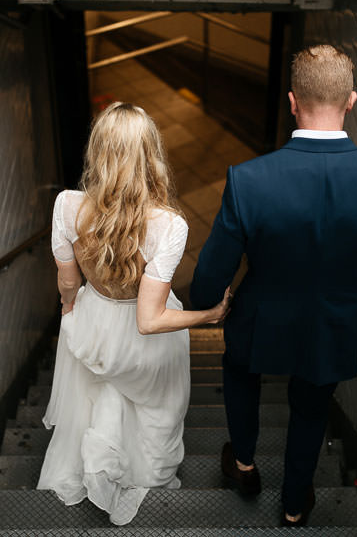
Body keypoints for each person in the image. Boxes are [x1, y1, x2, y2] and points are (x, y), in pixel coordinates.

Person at [190, 45, 357, 526]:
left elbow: (213, 271)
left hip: (258, 318)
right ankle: (294, 506)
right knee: (311, 410)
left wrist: (206, 302)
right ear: (351, 101)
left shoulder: (249, 180)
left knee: (240, 372)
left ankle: (245, 465)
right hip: (332, 325)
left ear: (292, 101)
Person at [39, 102, 231, 525]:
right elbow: (150, 320)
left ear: (98, 151)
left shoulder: (67, 206)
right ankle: (145, 471)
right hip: (144, 345)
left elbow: (69, 283)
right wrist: (209, 316)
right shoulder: (168, 225)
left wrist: (71, 313)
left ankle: (101, 462)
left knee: (104, 393)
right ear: (151, 155)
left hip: (95, 323)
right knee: (156, 407)